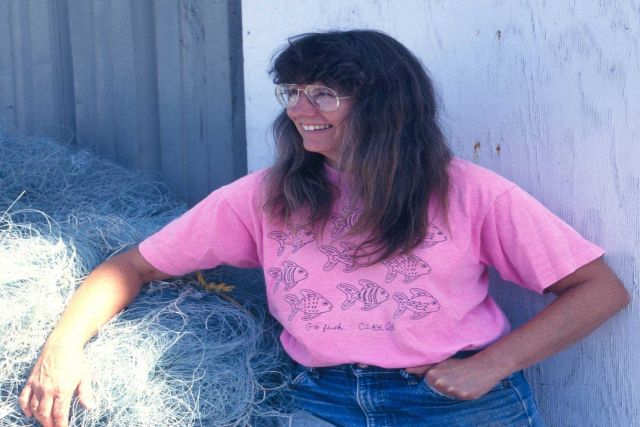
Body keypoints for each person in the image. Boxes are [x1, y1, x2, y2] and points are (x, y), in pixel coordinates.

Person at [20, 30, 629, 427]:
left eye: (323, 93)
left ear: (385, 104)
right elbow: (133, 265)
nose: (297, 109)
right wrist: (62, 349)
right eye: (291, 91)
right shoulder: (264, 197)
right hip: (322, 403)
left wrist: (490, 365)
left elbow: (599, 289)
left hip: (460, 407)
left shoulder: (469, 192)